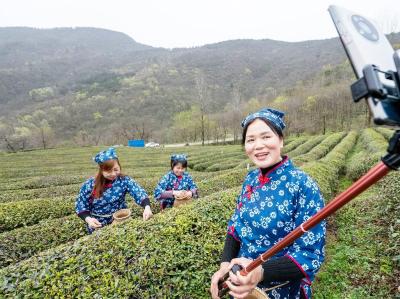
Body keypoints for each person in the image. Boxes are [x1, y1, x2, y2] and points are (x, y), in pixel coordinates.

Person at [210, 108, 326, 299]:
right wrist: (225, 266)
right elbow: (235, 227)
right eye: (251, 140)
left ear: (280, 140)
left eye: (266, 136)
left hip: (282, 290)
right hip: (242, 286)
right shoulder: (250, 180)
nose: (258, 145)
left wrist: (261, 271)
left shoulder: (303, 185)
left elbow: (310, 254)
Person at [75, 147, 153, 234]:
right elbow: (81, 205)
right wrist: (88, 219)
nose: (113, 174)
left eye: (116, 169)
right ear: (101, 170)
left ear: (119, 166)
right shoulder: (89, 185)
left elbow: (138, 192)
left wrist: (147, 207)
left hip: (121, 220)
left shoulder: (124, 180)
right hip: (98, 224)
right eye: (108, 171)